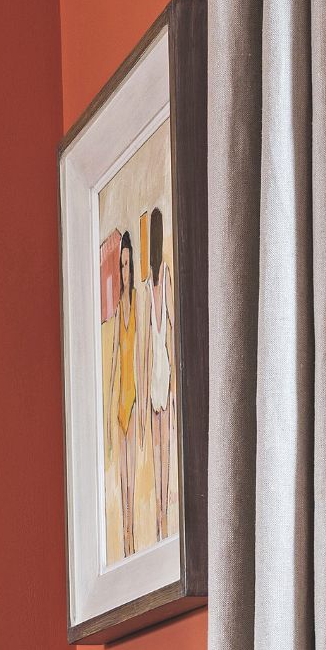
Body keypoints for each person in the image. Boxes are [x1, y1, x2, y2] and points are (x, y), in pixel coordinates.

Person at [107, 228, 140, 557]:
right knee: (124, 486)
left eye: (128, 265)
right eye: (122, 266)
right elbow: (116, 365)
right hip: (121, 407)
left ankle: (133, 547)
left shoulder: (138, 306)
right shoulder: (119, 311)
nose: (125, 272)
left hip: (135, 402)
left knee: (131, 479)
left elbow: (141, 358)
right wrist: (107, 419)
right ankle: (127, 544)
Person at [144, 207, 175, 542]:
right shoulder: (161, 279)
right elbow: (170, 326)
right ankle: (162, 510)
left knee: (159, 441)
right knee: (161, 442)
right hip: (161, 365)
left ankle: (162, 513)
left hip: (159, 365)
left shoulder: (156, 280)